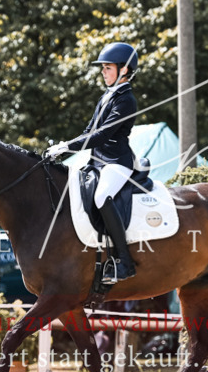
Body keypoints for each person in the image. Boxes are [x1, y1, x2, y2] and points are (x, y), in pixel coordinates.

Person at [47, 42, 139, 284]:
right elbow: (89, 130)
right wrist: (64, 149)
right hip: (97, 162)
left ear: (124, 70)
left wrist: (68, 146)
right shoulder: (106, 96)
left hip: (117, 162)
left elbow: (102, 135)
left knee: (101, 198)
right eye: (103, 68)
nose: (103, 72)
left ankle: (125, 261)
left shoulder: (126, 100)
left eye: (107, 68)